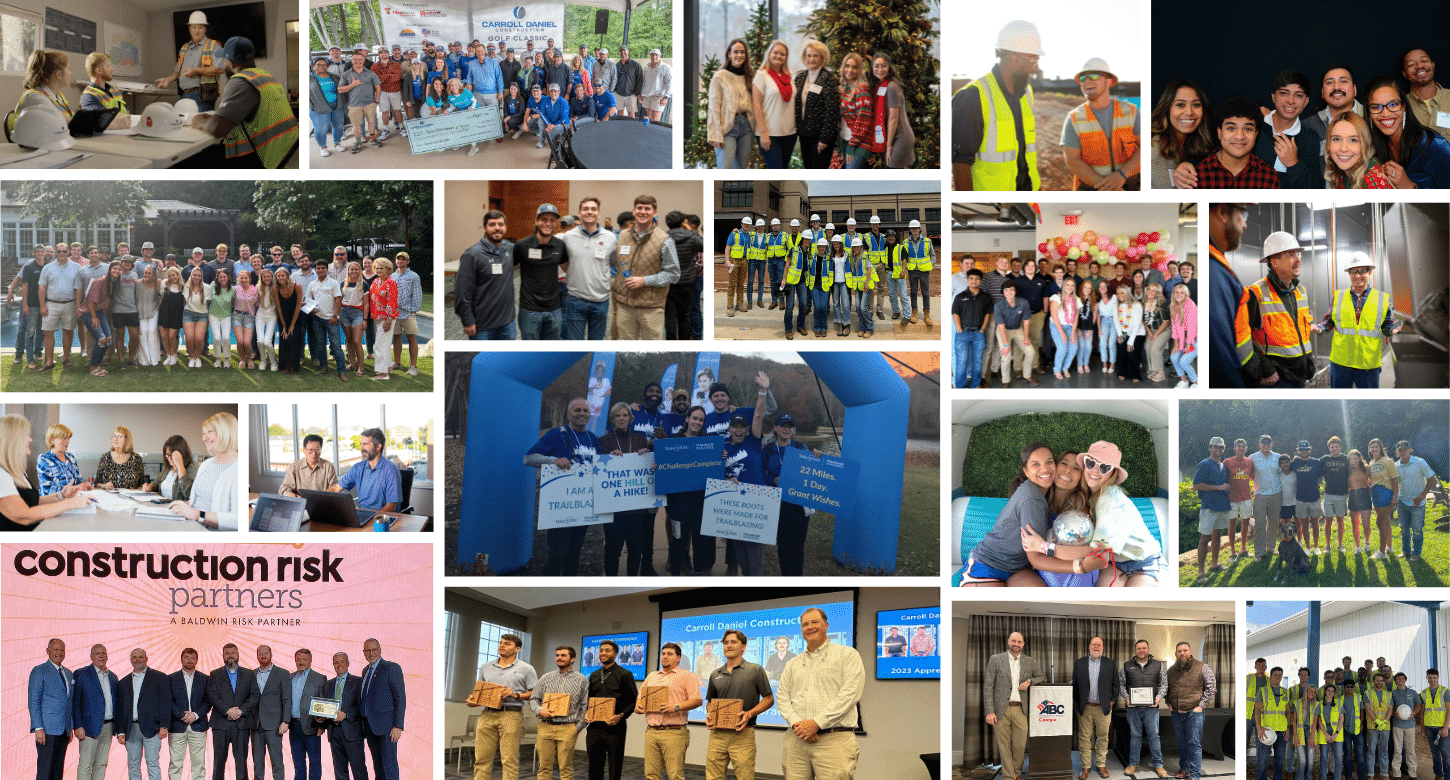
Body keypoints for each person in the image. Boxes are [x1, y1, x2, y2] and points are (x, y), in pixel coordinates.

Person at [774, 608, 864, 780]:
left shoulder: (847, 655)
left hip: (834, 740)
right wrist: (798, 725)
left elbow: (850, 694)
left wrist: (817, 723)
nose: (810, 627)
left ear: (826, 625)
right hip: (796, 741)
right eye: (805, 624)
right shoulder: (792, 663)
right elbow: (782, 698)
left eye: (814, 622)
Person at [952, 20, 1041, 189]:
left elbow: (1025, 154)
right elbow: (961, 164)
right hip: (993, 206)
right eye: (1033, 60)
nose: (1035, 68)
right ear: (1015, 58)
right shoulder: (973, 96)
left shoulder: (1026, 92)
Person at [190, 37, 299, 168]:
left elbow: (217, 129)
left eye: (224, 60)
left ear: (232, 63)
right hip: (285, 151)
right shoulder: (264, 76)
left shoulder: (240, 81)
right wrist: (218, 118)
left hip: (265, 158)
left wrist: (200, 122)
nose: (223, 65)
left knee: (196, 160)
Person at [524, 398, 602, 575]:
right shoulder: (556, 434)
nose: (582, 413)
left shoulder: (593, 439)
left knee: (574, 553)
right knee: (558, 553)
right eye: (577, 410)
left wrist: (615, 457)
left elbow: (603, 465)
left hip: (583, 505)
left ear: (590, 414)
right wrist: (553, 460)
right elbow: (528, 458)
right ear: (568, 414)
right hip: (560, 505)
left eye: (585, 410)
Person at [1235, 230, 1315, 388]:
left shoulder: (1302, 292)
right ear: (1274, 262)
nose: (1298, 259)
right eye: (1291, 255)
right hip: (1276, 379)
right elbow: (1240, 338)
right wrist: (1266, 369)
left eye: (1298, 254)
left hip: (1301, 373)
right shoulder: (1254, 294)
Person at [1311, 259, 1399, 387]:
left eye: (1362, 271)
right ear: (1349, 274)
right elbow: (1329, 321)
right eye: (1353, 272)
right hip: (1341, 363)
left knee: (1367, 404)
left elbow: (1387, 325)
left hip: (1368, 363)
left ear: (1370, 272)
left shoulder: (1381, 299)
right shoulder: (1339, 296)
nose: (1357, 276)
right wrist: (1319, 328)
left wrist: (1393, 331)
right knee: (1340, 402)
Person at [703, 630, 774, 780]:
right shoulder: (715, 673)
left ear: (744, 647)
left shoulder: (755, 670)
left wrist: (749, 714)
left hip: (743, 734)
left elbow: (769, 699)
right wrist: (710, 714)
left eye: (733, 642)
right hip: (717, 735)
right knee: (712, 777)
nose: (729, 646)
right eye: (726, 643)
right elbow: (710, 702)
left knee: (745, 777)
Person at [1063, 58, 1140, 190]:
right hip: (1091, 192)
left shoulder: (1131, 112)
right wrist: (1109, 188)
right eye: (1083, 78)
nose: (1087, 81)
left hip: (1131, 189)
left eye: (1093, 76)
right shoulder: (1074, 118)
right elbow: (1072, 160)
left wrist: (1121, 175)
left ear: (1109, 81)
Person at [611, 195, 680, 339]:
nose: (643, 212)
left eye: (647, 208)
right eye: (639, 208)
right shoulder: (622, 236)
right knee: (626, 349)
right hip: (624, 306)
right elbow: (614, 263)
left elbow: (673, 274)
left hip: (651, 308)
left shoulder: (665, 240)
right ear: (634, 211)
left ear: (654, 213)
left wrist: (644, 281)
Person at [1364, 74, 1450, 188]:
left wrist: (1409, 186)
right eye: (1376, 107)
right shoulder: (1374, 146)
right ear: (1369, 113)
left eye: (1393, 104)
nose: (1385, 114)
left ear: (1404, 106)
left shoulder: (1434, 145)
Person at [470, 633, 537, 780]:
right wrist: (472, 700)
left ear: (517, 649)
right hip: (486, 715)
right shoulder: (486, 667)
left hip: (511, 715)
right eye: (501, 642)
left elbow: (534, 693)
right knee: (481, 759)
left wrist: (516, 695)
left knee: (509, 760)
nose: (501, 645)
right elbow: (478, 692)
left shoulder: (526, 668)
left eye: (507, 643)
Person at [634, 643, 702, 780]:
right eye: (663, 653)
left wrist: (675, 707)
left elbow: (697, 700)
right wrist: (638, 707)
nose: (665, 657)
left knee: (675, 775)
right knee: (651, 775)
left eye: (670, 654)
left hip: (674, 732)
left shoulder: (686, 675)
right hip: (651, 732)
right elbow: (639, 698)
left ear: (678, 658)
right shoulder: (652, 676)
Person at [984, 631, 1043, 780]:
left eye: (1019, 642)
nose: (1016, 644)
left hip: (1020, 710)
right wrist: (989, 711)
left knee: (1019, 746)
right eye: (1013, 641)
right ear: (1008, 641)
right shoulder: (996, 659)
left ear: (1023, 644)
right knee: (1004, 748)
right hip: (999, 710)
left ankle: (1016, 773)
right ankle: (1009, 777)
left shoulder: (1029, 661)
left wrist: (1029, 681)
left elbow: (1042, 676)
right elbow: (988, 686)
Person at [167, 412, 239, 530]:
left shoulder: (238, 469)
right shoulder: (206, 464)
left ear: (226, 432)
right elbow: (197, 500)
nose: (203, 438)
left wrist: (196, 514)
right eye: (204, 433)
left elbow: (237, 520)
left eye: (209, 432)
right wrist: (182, 506)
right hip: (189, 525)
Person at [1253, 71, 1323, 189]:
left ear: (1306, 101)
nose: (1291, 101)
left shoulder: (1310, 140)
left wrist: (1294, 164)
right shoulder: (1254, 126)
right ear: (1273, 96)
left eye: (1298, 95)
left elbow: (1315, 190)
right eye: (1284, 93)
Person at [529, 644, 589, 780]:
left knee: (565, 768)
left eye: (563, 655)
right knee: (544, 767)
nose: (559, 658)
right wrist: (540, 710)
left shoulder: (582, 680)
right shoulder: (545, 677)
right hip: (545, 726)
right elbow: (533, 699)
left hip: (568, 727)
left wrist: (577, 728)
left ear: (572, 659)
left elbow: (585, 706)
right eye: (557, 655)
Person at [455, 210, 516, 340]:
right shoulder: (472, 255)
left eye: (500, 224)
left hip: (507, 323)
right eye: (492, 224)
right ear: (484, 228)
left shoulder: (510, 249)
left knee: (506, 358)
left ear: (505, 227)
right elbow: (462, 292)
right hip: (483, 326)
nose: (497, 228)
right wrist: (468, 320)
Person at [1196, 97, 1282, 188]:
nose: (1240, 136)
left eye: (1248, 129)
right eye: (1231, 128)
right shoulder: (1196, 175)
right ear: (1219, 133)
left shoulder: (1269, 178)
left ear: (1256, 134)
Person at [515, 203, 569, 339]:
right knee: (530, 353)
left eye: (552, 220)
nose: (548, 223)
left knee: (550, 352)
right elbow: (506, 268)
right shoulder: (522, 245)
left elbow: (567, 268)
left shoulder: (560, 245)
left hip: (554, 309)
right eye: (544, 219)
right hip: (529, 310)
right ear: (536, 221)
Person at [206, 643, 259, 780]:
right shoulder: (215, 674)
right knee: (218, 762)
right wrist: (227, 710)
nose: (230, 656)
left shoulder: (249, 674)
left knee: (241, 761)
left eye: (233, 653)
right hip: (220, 724)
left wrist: (240, 711)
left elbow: (254, 696)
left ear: (238, 655)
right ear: (223, 656)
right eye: (227, 653)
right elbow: (212, 696)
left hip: (242, 723)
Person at [1117, 639, 1168, 778]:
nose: (1141, 650)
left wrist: (1158, 698)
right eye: (1139, 648)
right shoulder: (1127, 666)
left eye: (1144, 648)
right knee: (1135, 736)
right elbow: (1121, 684)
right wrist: (1127, 697)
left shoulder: (1158, 665)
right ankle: (1133, 764)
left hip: (1151, 708)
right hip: (1133, 709)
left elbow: (1164, 684)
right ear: (1135, 651)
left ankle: (1159, 765)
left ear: (1148, 649)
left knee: (1154, 736)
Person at [587, 640, 637, 780]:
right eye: (601, 650)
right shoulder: (594, 675)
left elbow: (634, 701)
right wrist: (587, 713)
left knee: (614, 767)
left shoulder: (625, 674)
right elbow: (589, 700)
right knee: (594, 766)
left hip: (615, 727)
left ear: (615, 654)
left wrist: (621, 716)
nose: (603, 653)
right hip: (595, 727)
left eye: (607, 650)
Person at [29, 638, 76, 780]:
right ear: (48, 651)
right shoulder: (39, 671)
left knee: (57, 771)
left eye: (62, 650)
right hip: (46, 730)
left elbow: (69, 702)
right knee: (45, 771)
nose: (59, 653)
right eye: (56, 649)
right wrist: (38, 728)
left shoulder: (68, 673)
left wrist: (70, 727)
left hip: (64, 730)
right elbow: (33, 701)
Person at [1151, 79, 1212, 188]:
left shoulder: (1195, 149)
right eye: (1180, 105)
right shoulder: (1152, 151)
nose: (1189, 112)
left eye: (1196, 105)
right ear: (1167, 108)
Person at [154, 11, 222, 108]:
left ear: (205, 29)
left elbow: (220, 69)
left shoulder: (214, 45)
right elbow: (177, 72)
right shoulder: (184, 48)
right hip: (184, 94)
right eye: (194, 27)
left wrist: (196, 71)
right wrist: (168, 80)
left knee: (199, 123)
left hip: (202, 96)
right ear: (190, 29)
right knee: (180, 122)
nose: (197, 31)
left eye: (200, 27)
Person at [359, 638, 405, 780]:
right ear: (364, 652)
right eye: (368, 650)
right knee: (378, 767)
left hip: (387, 728)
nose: (371, 653)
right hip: (369, 726)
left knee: (389, 767)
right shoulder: (365, 670)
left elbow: (400, 698)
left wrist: (397, 726)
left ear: (380, 650)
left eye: (374, 649)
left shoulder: (391, 667)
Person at [1168, 642, 1215, 780]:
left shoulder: (1202, 667)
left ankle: (1195, 774)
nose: (1182, 653)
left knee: (1193, 743)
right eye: (1179, 651)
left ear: (1190, 651)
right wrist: (1169, 702)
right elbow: (1166, 689)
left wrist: (1201, 705)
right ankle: (1184, 768)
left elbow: (1211, 687)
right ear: (1176, 653)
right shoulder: (1170, 670)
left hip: (1194, 713)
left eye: (1185, 650)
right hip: (1176, 713)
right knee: (1182, 743)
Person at [72, 643, 120, 780]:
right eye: (98, 653)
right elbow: (76, 703)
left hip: (109, 727)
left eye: (104, 653)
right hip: (88, 727)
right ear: (91, 656)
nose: (101, 656)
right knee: (86, 765)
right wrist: (78, 726)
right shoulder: (81, 674)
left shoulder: (113, 677)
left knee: (101, 764)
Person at [792, 41, 840, 169]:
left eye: (815, 56)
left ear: (822, 58)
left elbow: (832, 111)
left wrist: (824, 138)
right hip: (804, 135)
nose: (811, 59)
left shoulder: (828, 79)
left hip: (821, 137)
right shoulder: (800, 78)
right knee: (808, 169)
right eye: (809, 55)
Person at [328, 427, 400, 512]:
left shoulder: (390, 470)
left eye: (365, 444)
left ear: (378, 446)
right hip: (364, 516)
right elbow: (336, 489)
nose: (361, 448)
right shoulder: (357, 468)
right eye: (361, 444)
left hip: (383, 520)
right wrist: (319, 499)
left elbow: (391, 507)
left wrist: (372, 520)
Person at [246, 645, 290, 780]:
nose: (263, 656)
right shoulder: (251, 674)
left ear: (271, 655)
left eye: (266, 653)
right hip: (255, 724)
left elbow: (287, 699)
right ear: (257, 656)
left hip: (275, 724)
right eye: (260, 653)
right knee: (257, 762)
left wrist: (285, 721)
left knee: (277, 761)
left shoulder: (283, 673)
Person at [1393, 440, 1440, 563]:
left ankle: (1416, 553)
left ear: (1410, 450)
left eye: (1405, 449)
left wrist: (1423, 495)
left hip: (1418, 503)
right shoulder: (1395, 465)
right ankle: (1405, 551)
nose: (1403, 452)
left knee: (1417, 529)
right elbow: (1393, 483)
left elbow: (1431, 478)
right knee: (1403, 528)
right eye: (1400, 450)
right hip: (1402, 502)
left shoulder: (1420, 462)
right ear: (1397, 452)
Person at [1193, 436, 1232, 583]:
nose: (1218, 449)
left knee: (1218, 536)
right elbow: (1196, 484)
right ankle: (1201, 573)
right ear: (1210, 448)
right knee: (1204, 539)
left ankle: (1214, 564)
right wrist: (1218, 487)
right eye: (1215, 446)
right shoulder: (1205, 464)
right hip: (1208, 507)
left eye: (1221, 447)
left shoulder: (1222, 466)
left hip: (1222, 505)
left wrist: (1225, 488)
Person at [165, 648, 208, 780]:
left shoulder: (205, 678)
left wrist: (195, 715)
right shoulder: (171, 678)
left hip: (198, 726)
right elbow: (168, 701)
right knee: (175, 764)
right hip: (177, 726)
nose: (189, 660)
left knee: (198, 765)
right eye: (186, 657)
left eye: (192, 658)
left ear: (197, 660)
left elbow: (208, 701)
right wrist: (182, 715)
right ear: (181, 659)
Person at [1323, 113, 1392, 189]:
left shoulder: (1374, 181)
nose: (1343, 149)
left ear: (1364, 145)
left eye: (1353, 140)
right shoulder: (1343, 174)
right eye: (1336, 139)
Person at [307, 260, 348, 381]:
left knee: (336, 346)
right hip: (317, 319)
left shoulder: (333, 283)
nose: (320, 270)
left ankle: (341, 371)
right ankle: (324, 366)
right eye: (318, 268)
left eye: (323, 268)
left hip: (331, 319)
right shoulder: (312, 284)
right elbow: (308, 299)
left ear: (327, 269)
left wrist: (335, 316)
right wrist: (311, 310)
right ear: (315, 270)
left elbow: (338, 300)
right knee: (320, 345)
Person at [953, 267, 993, 388]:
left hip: (979, 334)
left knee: (977, 361)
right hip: (962, 334)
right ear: (968, 280)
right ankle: (960, 386)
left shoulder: (986, 297)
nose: (974, 281)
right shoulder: (960, 297)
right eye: (971, 278)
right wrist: (959, 329)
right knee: (962, 362)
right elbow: (956, 314)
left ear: (980, 281)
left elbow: (987, 314)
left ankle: (975, 384)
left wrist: (982, 329)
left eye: (976, 279)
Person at [994, 281, 1038, 387]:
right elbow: (1001, 326)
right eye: (1006, 290)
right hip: (1003, 331)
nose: (1009, 292)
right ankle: (1006, 381)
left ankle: (1027, 376)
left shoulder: (1023, 302)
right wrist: (1006, 345)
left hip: (1018, 329)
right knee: (1006, 357)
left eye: (1011, 289)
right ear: (1003, 292)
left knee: (1030, 352)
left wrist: (1026, 337)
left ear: (1015, 291)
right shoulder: (998, 305)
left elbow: (1026, 321)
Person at [338, 51, 383, 151]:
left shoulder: (371, 73)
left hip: (370, 103)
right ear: (351, 60)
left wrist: (376, 101)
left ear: (364, 60)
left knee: (371, 122)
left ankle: (372, 139)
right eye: (355, 59)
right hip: (354, 105)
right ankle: (358, 142)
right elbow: (340, 89)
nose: (357, 61)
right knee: (356, 125)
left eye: (360, 59)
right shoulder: (346, 74)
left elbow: (378, 87)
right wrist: (352, 85)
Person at [365, 258, 399, 380]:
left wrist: (389, 319)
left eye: (381, 268)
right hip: (376, 317)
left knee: (380, 345)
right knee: (383, 344)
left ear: (388, 269)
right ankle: (387, 367)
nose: (379, 270)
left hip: (386, 318)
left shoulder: (391, 282)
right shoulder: (375, 281)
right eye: (377, 268)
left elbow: (392, 301)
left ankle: (383, 373)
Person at [1255, 666, 1290, 780]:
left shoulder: (1285, 692)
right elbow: (1257, 710)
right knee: (1262, 760)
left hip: (1281, 732)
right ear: (1270, 676)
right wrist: (1259, 727)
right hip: (1266, 731)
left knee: (1279, 760)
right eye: (1275, 675)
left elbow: (1288, 711)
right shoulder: (1263, 690)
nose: (1277, 677)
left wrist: (1288, 728)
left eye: (1280, 675)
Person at [1366, 439, 1398, 561]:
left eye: (1376, 447)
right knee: (1386, 521)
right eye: (1372, 447)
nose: (1374, 449)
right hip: (1375, 492)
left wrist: (1395, 496)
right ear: (1369, 450)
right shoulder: (1371, 462)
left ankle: (1382, 552)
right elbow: (1371, 479)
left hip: (1386, 492)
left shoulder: (1388, 461)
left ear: (1380, 448)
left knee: (1380, 522)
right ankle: (1389, 547)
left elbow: (1394, 479)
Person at [80, 53, 131, 129]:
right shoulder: (89, 96)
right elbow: (100, 120)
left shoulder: (114, 90)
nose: (112, 69)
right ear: (99, 70)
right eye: (108, 66)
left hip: (123, 132)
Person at [309, 56, 347, 156]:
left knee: (338, 126)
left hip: (336, 105)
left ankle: (337, 143)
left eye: (324, 65)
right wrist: (311, 106)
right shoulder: (309, 78)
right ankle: (323, 147)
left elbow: (341, 90)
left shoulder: (334, 77)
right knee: (321, 129)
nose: (321, 67)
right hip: (319, 108)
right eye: (318, 65)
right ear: (314, 65)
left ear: (328, 66)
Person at [901, 219, 935, 325]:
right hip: (912, 270)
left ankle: (926, 314)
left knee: (926, 293)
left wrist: (931, 266)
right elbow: (905, 257)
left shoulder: (927, 241)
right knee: (913, 292)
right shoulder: (906, 242)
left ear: (920, 229)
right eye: (912, 228)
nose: (914, 230)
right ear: (910, 230)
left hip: (924, 271)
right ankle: (914, 313)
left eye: (916, 228)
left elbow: (932, 255)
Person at [93, 426, 145, 490]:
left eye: (119, 436)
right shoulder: (105, 457)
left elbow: (142, 484)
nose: (115, 439)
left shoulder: (136, 458)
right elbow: (96, 483)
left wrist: (136, 490)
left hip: (129, 498)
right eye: (114, 436)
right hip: (108, 497)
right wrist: (104, 485)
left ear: (126, 440)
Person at [1048, 276, 1079, 380]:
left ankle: (1065, 368)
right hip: (1057, 326)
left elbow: (1075, 319)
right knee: (1062, 348)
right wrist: (1062, 333)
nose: (1070, 287)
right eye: (1068, 285)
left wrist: (1073, 334)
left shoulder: (1077, 299)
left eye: (1072, 285)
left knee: (1074, 348)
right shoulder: (1056, 298)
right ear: (1063, 285)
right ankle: (1057, 369)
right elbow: (1054, 316)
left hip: (1070, 326)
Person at [273, 268, 305, 373]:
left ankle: (293, 366)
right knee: (284, 341)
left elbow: (298, 306)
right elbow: (278, 308)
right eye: (278, 276)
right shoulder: (275, 288)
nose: (280, 278)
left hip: (295, 317)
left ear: (287, 276)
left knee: (293, 341)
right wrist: (284, 326)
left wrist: (291, 326)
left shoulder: (297, 286)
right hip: (283, 317)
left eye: (283, 275)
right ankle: (286, 365)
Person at [1169, 282, 1199, 388]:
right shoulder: (1173, 306)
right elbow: (1175, 327)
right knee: (1174, 357)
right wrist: (1176, 344)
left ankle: (1196, 383)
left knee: (1183, 361)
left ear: (1186, 294)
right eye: (1176, 292)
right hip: (1182, 340)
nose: (1179, 294)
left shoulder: (1190, 305)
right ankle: (1184, 382)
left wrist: (1188, 344)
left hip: (1195, 339)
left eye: (1182, 293)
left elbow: (1192, 326)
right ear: (1173, 293)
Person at [1113, 285, 1144, 383]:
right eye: (1118, 293)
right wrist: (1120, 335)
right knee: (1121, 351)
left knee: (1132, 353)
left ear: (1127, 293)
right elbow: (1116, 321)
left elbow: (1136, 324)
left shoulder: (1137, 305)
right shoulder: (1116, 305)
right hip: (1124, 333)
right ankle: (1122, 372)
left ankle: (1135, 374)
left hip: (1137, 334)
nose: (1120, 295)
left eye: (1122, 292)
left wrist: (1130, 341)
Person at [153, 434, 198, 502]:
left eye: (173, 455)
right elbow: (156, 483)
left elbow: (189, 494)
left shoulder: (192, 468)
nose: (170, 458)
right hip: (163, 508)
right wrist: (150, 486)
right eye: (167, 455)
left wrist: (180, 466)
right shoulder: (167, 469)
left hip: (178, 509)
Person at [613, 46, 643, 118]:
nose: (623, 52)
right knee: (619, 113)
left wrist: (637, 93)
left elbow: (640, 79)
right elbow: (613, 79)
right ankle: (619, 128)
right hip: (618, 94)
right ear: (619, 53)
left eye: (624, 51)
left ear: (628, 52)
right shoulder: (616, 65)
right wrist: (613, 91)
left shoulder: (635, 65)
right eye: (621, 51)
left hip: (631, 94)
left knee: (631, 114)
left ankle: (631, 128)